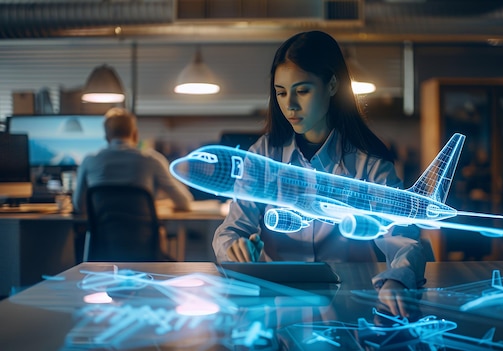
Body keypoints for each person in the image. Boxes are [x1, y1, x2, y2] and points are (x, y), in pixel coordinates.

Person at [212, 30, 433, 316]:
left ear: (331, 85)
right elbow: (231, 230)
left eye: (302, 90)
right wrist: (235, 250)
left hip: (351, 308)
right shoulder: (263, 155)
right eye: (281, 92)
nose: (289, 105)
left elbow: (402, 237)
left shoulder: (369, 163)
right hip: (278, 309)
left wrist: (397, 279)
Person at [72, 107, 193, 214]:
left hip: (101, 239)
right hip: (143, 238)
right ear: (135, 135)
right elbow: (184, 202)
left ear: (107, 138)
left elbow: (78, 206)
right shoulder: (152, 160)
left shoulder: (89, 162)